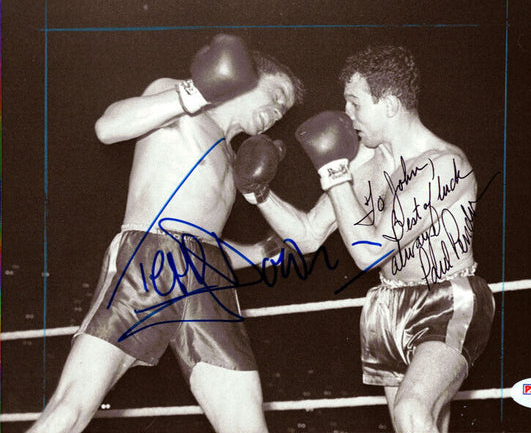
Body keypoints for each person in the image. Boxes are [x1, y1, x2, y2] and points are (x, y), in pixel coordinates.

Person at [27, 33, 304, 433]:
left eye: (284, 109)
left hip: (209, 278)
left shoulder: (232, 158)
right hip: (146, 261)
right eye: (276, 95)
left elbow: (202, 241)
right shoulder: (180, 100)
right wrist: (194, 92)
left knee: (247, 425)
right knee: (70, 410)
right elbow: (108, 127)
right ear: (246, 77)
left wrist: (260, 252)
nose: (277, 112)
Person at [234, 45, 494, 433]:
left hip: (446, 299)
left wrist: (335, 175)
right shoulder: (361, 163)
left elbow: (369, 252)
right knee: (415, 424)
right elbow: (307, 237)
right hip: (387, 304)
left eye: (355, 103)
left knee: (411, 410)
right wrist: (259, 194)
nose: (347, 114)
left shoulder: (444, 166)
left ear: (389, 105)